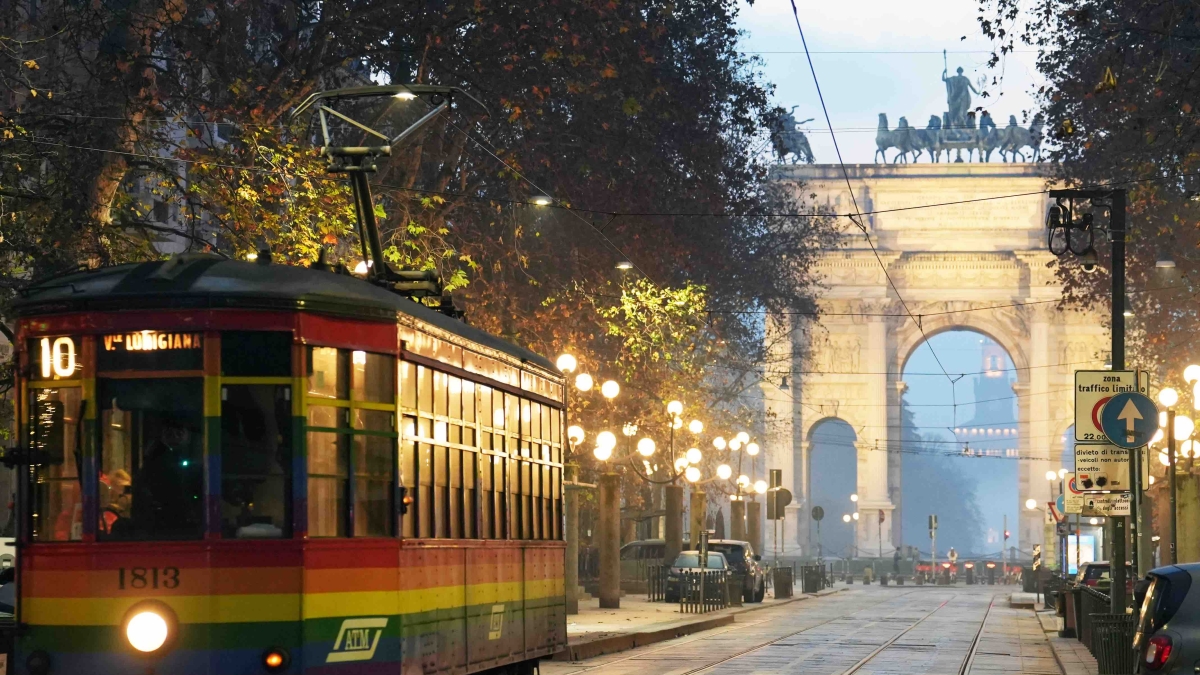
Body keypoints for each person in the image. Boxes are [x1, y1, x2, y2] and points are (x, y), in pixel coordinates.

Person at [132, 417, 202, 538]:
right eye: (170, 433)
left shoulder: (192, 455)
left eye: (180, 433)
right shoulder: (159, 458)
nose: (175, 437)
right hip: (165, 518)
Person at [100, 469, 133, 537]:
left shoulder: (129, 503)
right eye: (119, 487)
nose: (123, 491)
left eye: (127, 488)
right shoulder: (105, 509)